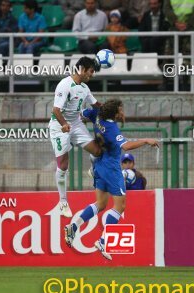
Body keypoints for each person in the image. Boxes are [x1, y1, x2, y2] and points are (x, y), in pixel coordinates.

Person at [64, 99, 159, 260]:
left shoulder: (96, 115)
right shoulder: (112, 128)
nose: (123, 112)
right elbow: (126, 146)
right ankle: (102, 241)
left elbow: (81, 115)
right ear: (115, 113)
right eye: (121, 110)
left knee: (101, 204)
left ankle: (74, 225)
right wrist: (146, 140)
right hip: (112, 168)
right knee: (120, 206)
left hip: (99, 164)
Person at [50, 57, 103, 218]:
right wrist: (64, 124)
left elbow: (96, 105)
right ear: (83, 69)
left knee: (97, 151)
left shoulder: (85, 88)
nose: (92, 75)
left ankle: (93, 170)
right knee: (64, 165)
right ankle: (63, 201)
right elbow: (56, 110)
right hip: (60, 127)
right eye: (91, 71)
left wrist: (111, 110)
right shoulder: (65, 85)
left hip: (76, 124)